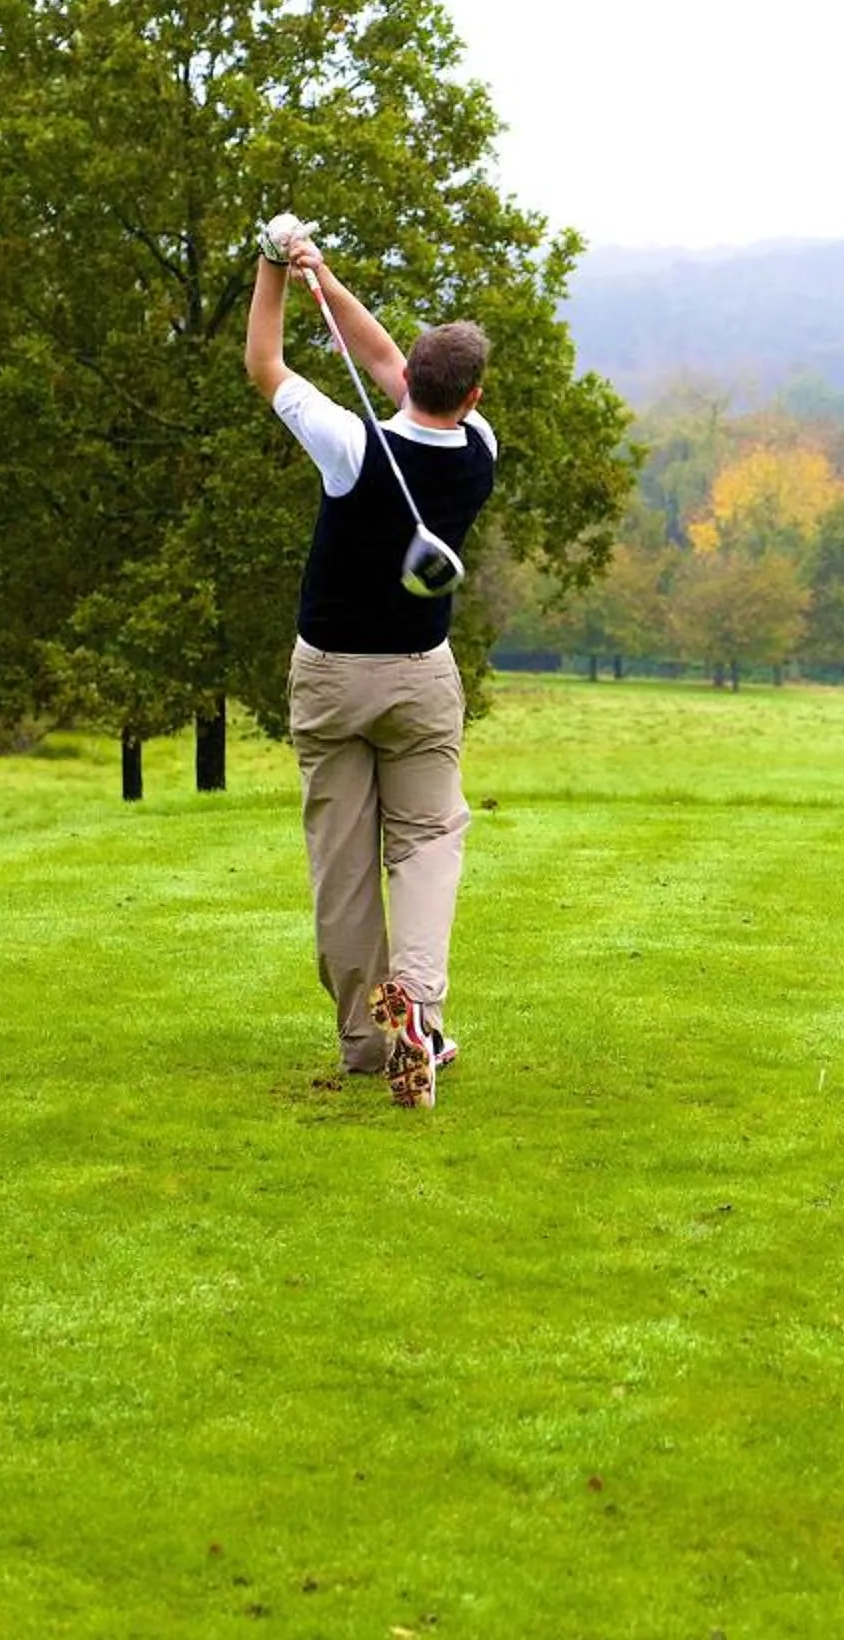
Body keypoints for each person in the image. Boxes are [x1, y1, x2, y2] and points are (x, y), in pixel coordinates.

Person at [244, 223, 498, 1109]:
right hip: (420, 677)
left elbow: (267, 365)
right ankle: (418, 1015)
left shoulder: (350, 447)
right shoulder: (480, 450)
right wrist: (323, 274)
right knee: (426, 841)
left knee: (343, 861)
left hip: (328, 678)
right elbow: (391, 359)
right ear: (472, 393)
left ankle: (367, 1038)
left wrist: (275, 270)